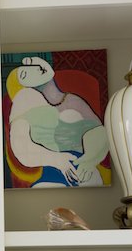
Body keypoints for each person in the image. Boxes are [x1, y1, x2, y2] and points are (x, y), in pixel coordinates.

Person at [6, 56, 109, 187]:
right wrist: (57, 160)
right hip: (50, 179)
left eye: (33, 67)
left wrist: (90, 159)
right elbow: (20, 146)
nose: (34, 69)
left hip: (87, 177)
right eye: (24, 73)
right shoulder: (24, 101)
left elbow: (99, 131)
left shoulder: (73, 100)